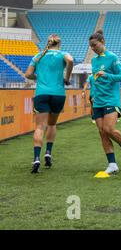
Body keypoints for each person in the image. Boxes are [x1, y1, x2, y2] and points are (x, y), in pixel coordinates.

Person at [25, 34, 74, 174]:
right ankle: (48, 153)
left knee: (40, 126)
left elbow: (28, 74)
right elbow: (70, 61)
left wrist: (38, 77)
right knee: (52, 124)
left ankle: (36, 159)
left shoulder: (38, 56)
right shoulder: (63, 54)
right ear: (59, 44)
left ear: (48, 43)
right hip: (58, 93)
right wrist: (67, 77)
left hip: (41, 93)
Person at [89, 30, 121, 175]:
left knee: (109, 129)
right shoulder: (94, 60)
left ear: (102, 42)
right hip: (99, 101)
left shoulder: (112, 57)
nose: (93, 48)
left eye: (94, 45)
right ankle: (112, 164)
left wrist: (107, 75)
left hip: (111, 99)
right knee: (102, 132)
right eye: (91, 46)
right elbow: (96, 80)